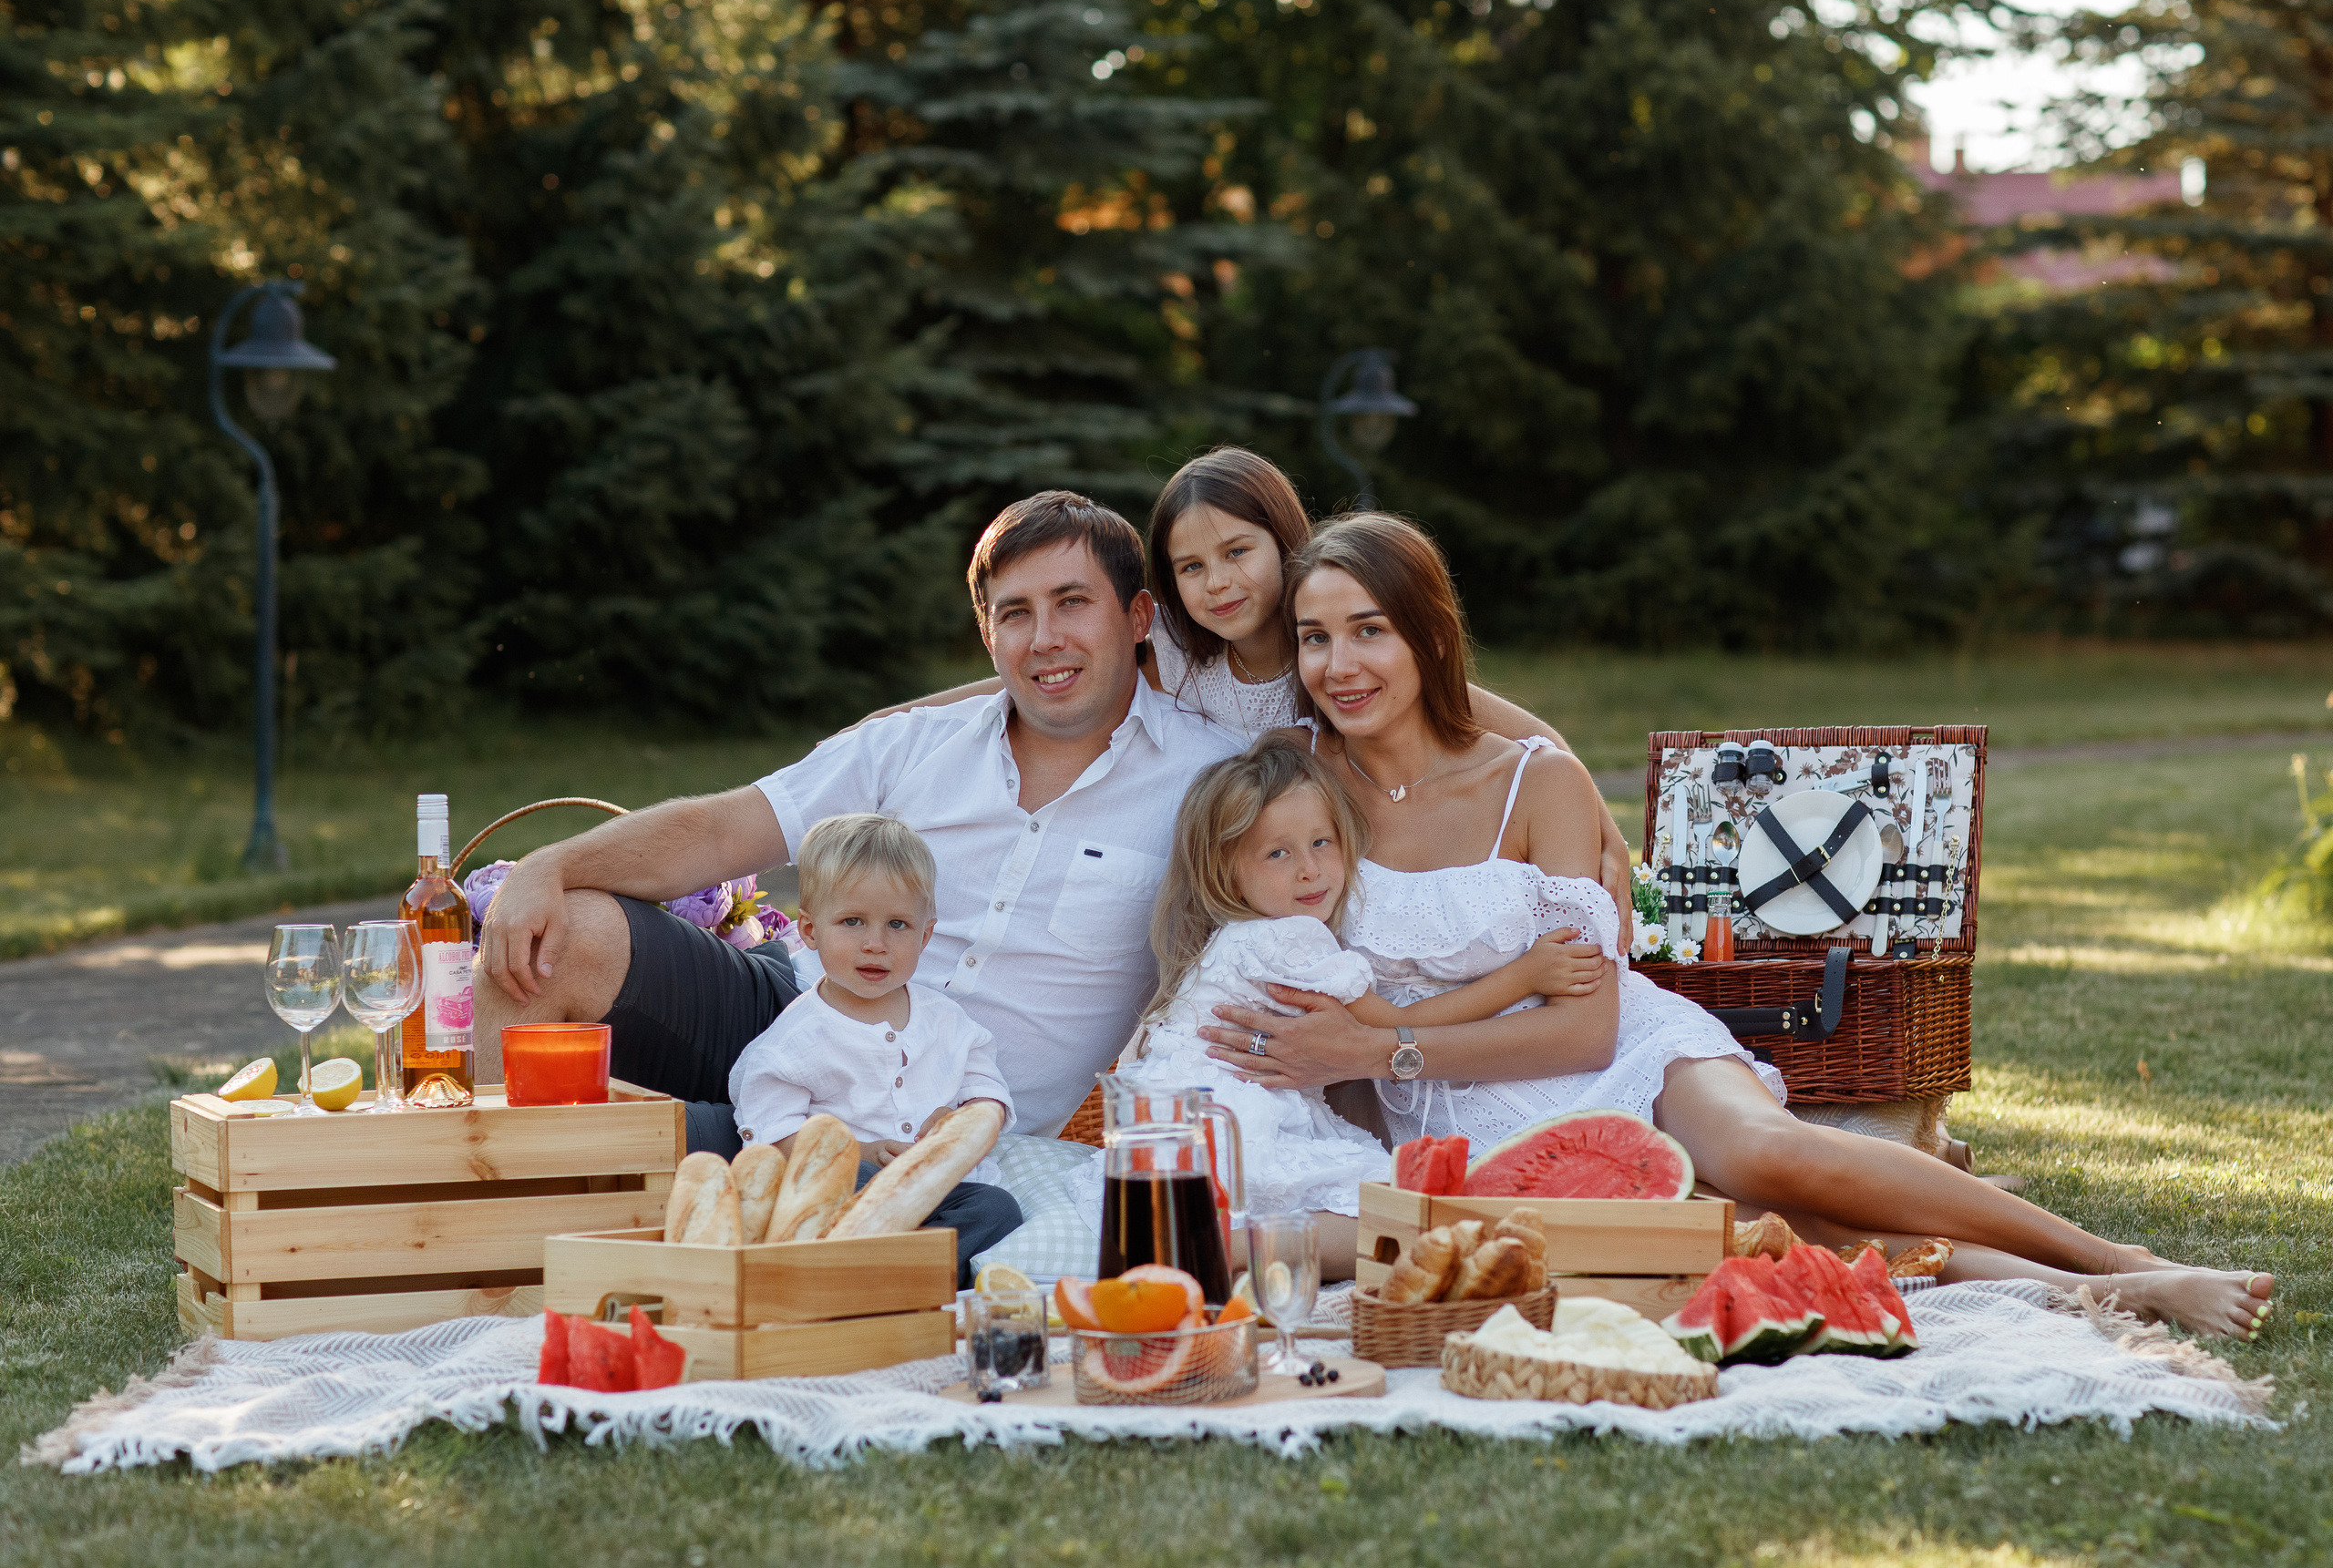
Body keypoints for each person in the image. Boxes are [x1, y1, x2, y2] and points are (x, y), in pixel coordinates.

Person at [1197, 511, 2276, 1339]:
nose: (1341, 665)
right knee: (1765, 1229)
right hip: (1462, 1113)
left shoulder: (1539, 781)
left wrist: (1377, 1042)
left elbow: (1583, 1030)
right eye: (1315, 637)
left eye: (1370, 631)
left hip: (1620, 1045)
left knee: (1762, 1152)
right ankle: (2116, 1292)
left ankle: (2108, 1251)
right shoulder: (1310, 789)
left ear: (1428, 634)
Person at [473, 491, 1245, 1150]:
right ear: (988, 636)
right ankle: (454, 1224)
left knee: (651, 1149)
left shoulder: (1210, 782)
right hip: (789, 1009)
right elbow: (722, 829)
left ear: (1139, 616)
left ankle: (612, 1181)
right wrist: (552, 865)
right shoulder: (914, 742)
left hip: (936, 1112)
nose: (1045, 638)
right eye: (1016, 613)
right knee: (556, 935)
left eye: (1072, 602)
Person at [858, 446, 1639, 939]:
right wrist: (894, 725)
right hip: (1196, 857)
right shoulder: (1171, 651)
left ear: (1285, 541)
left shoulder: (1332, 662)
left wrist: (1600, 827)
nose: (1219, 582)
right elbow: (1028, 676)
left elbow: (1501, 722)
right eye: (1191, 567)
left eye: (1238, 551)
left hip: (1303, 871)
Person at [1076, 737, 1602, 1279]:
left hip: (1176, 1130)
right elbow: (1402, 1025)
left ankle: (1219, 1241)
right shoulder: (1292, 941)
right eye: (1278, 853)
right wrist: (1524, 975)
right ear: (1226, 872)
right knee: (1400, 1215)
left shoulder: (1233, 937)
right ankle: (1220, 1247)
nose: (1309, 869)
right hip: (1235, 1131)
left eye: (1321, 842)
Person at [728, 814, 1023, 1283]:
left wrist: (964, 1120)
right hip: (854, 1183)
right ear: (809, 932)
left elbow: (988, 1089)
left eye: (898, 925)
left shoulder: (946, 1020)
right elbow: (774, 1135)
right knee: (837, 1191)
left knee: (996, 1207)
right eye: (852, 921)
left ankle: (901, 1277)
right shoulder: (794, 1041)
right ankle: (875, 1273)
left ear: (925, 935)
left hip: (937, 1184)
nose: (875, 944)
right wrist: (862, 1153)